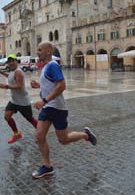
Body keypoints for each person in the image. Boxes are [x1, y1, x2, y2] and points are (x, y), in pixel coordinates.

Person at [31, 42, 97, 179]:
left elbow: (61, 86)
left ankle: (85, 134)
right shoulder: (45, 67)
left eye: (39, 50)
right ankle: (47, 166)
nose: (37, 52)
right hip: (48, 107)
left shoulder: (53, 66)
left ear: (48, 51)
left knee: (64, 139)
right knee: (39, 136)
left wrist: (43, 100)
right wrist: (39, 86)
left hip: (57, 108)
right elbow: (52, 85)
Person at [0, 54, 37, 144]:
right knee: (7, 116)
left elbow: (19, 86)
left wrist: (6, 86)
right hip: (14, 101)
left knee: (30, 119)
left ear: (16, 61)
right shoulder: (12, 71)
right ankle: (17, 134)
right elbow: (11, 77)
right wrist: (1, 72)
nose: (11, 63)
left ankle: (41, 132)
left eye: (13, 61)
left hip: (23, 101)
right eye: (9, 61)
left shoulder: (18, 72)